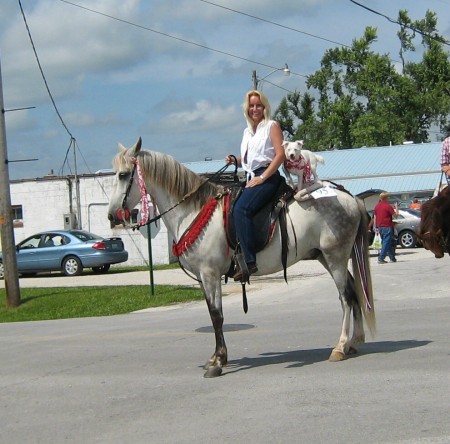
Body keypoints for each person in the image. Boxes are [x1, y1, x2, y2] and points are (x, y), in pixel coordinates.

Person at [225, 90, 286, 281]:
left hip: (268, 176)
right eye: (251, 106)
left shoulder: (272, 126)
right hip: (252, 176)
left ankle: (249, 262)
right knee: (229, 206)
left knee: (241, 209)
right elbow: (250, 158)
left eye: (258, 105)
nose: (255, 109)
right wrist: (235, 159)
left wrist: (263, 178)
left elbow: (280, 155)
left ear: (265, 107)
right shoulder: (247, 131)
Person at [373, 192, 399, 264]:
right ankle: (381, 258)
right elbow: (395, 216)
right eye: (388, 197)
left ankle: (392, 257)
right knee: (386, 242)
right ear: (386, 198)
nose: (389, 198)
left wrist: (376, 227)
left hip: (380, 227)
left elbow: (375, 217)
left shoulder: (377, 206)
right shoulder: (388, 206)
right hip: (387, 226)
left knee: (388, 242)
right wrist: (396, 207)